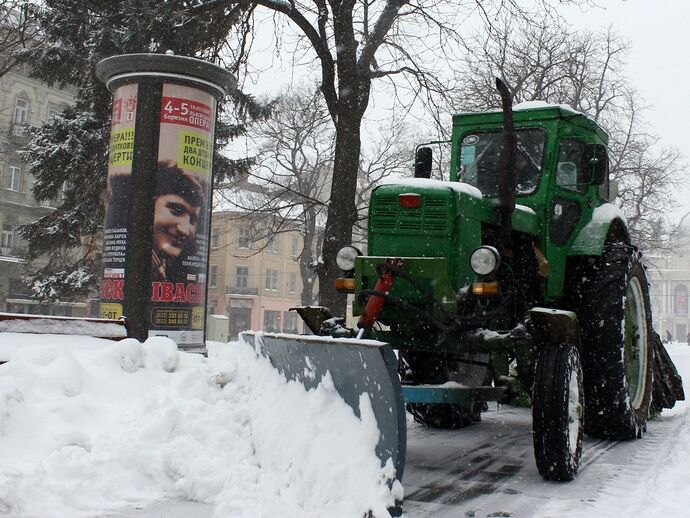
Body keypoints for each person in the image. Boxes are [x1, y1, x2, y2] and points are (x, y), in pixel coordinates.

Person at [151, 160, 206, 282]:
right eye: (176, 210)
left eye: (193, 220)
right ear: (151, 204)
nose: (184, 230)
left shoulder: (163, 268)